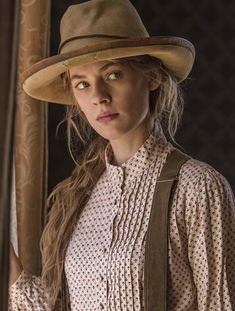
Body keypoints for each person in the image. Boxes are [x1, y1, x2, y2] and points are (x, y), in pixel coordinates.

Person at [8, 0, 235, 310]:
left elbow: (220, 304)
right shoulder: (77, 198)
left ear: (152, 77)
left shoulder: (197, 187)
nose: (99, 96)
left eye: (113, 74)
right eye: (83, 84)